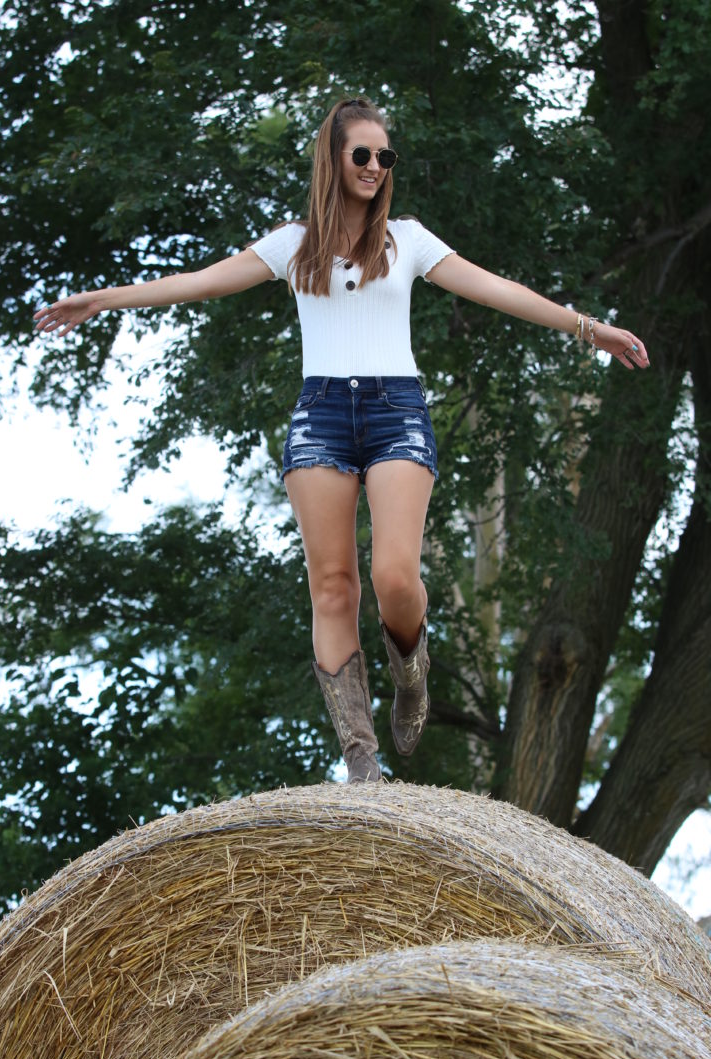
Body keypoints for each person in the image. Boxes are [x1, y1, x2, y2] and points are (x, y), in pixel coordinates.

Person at [34, 96, 650, 785]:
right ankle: (360, 757)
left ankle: (411, 667)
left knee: (393, 575)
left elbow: (495, 288)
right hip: (320, 415)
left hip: (397, 411)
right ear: (333, 158)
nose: (376, 167)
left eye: (386, 157)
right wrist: (106, 298)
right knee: (332, 588)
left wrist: (586, 327)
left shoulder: (408, 241)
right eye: (363, 154)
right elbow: (196, 283)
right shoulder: (292, 246)